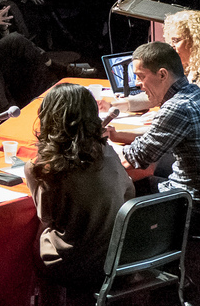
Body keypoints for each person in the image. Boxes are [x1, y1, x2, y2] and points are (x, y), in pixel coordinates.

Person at [26, 83, 135, 292]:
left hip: (75, 264)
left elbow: (47, 217)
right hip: (119, 259)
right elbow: (129, 191)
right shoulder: (108, 153)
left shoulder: (41, 168)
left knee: (36, 241)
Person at [118, 41, 200, 229]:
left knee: (120, 185)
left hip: (193, 208)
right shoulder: (195, 92)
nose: (137, 84)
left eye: (141, 76)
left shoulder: (177, 108)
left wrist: (104, 147)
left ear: (162, 74)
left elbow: (136, 159)